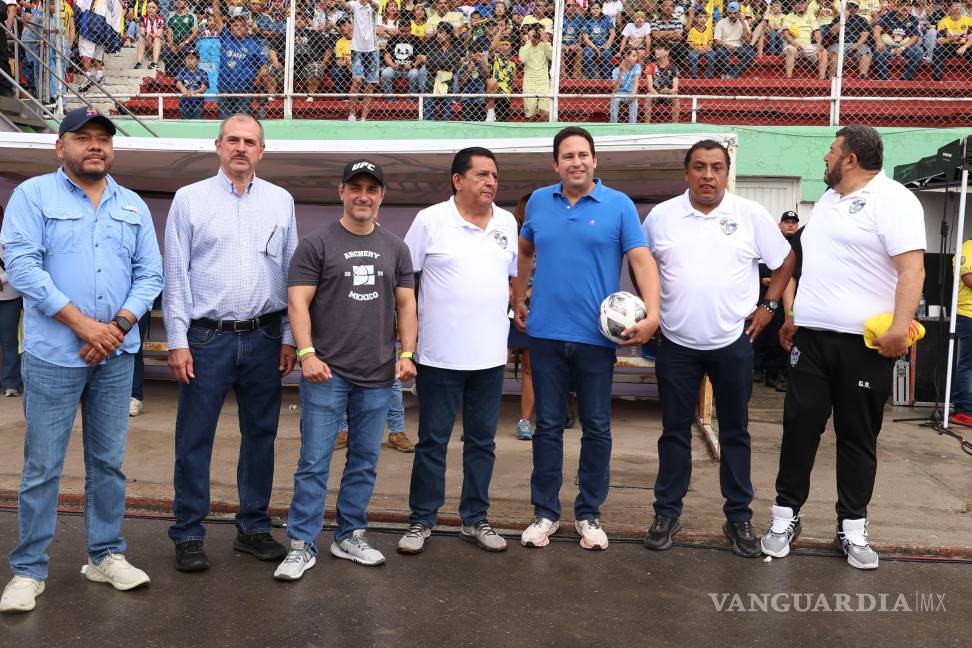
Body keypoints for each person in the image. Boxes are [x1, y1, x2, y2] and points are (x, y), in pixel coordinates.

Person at [0, 108, 163, 613]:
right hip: (54, 356)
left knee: (108, 463)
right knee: (43, 465)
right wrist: (82, 325)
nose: (95, 146)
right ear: (60, 147)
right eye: (83, 138)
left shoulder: (131, 204)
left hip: (115, 356)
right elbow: (22, 266)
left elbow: (150, 275)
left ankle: (105, 554)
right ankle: (29, 570)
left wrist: (113, 328)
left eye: (103, 140)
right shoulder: (32, 196)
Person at [761, 125, 926, 570]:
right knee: (799, 429)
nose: (825, 159)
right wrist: (794, 317)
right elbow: (815, 266)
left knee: (856, 437)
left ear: (850, 158)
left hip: (864, 345)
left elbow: (913, 270)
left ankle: (851, 528)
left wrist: (901, 326)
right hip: (811, 340)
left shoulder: (894, 200)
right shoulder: (831, 202)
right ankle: (784, 518)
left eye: (831, 152)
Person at [640, 140, 795, 557]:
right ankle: (667, 512)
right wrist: (651, 314)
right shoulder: (661, 218)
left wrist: (769, 307)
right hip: (676, 343)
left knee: (735, 431)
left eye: (716, 167)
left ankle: (739, 517)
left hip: (733, 343)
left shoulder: (751, 215)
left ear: (728, 173)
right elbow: (642, 267)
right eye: (699, 167)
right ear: (685, 172)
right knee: (674, 432)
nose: (708, 175)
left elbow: (784, 261)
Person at [512, 127, 661, 551]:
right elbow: (525, 252)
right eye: (567, 156)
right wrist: (519, 294)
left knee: (596, 427)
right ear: (555, 164)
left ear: (595, 161)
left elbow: (641, 261)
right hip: (544, 335)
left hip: (597, 340)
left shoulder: (618, 205)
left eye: (583, 155)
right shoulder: (540, 201)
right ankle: (544, 514)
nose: (576, 162)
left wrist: (654, 314)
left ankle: (589, 514)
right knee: (547, 427)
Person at [163, 114, 297, 573]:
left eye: (250, 142)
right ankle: (188, 532)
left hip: (264, 336)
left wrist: (290, 338)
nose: (241, 148)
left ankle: (254, 527)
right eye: (233, 140)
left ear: (262, 151)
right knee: (194, 437)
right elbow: (176, 275)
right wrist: (177, 341)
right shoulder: (189, 199)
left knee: (260, 435)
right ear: (217, 146)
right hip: (206, 339)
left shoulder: (281, 201)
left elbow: (291, 275)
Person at [274, 159, 417, 580]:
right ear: (341, 192)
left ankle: (350, 534)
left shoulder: (396, 247)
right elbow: (297, 301)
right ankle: (302, 542)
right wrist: (306, 354)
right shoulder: (316, 244)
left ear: (381, 196)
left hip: (377, 374)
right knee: (314, 461)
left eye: (371, 189)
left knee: (364, 461)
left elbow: (407, 303)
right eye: (355, 187)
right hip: (326, 373)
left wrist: (407, 354)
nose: (363, 196)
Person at [396, 148, 517, 555]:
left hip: (489, 358)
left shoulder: (506, 222)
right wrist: (407, 347)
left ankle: (475, 519)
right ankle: (421, 520)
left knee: (482, 443)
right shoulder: (430, 220)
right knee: (432, 441)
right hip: (438, 357)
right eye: (482, 174)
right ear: (457, 180)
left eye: (494, 176)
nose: (491, 182)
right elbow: (405, 283)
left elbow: (512, 277)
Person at [507, 193, 535, 440]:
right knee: (493, 362)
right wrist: (511, 294)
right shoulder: (507, 237)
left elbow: (553, 271)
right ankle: (479, 416)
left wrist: (526, 293)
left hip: (535, 306)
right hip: (503, 306)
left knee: (529, 366)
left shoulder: (547, 239)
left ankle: (524, 421)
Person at [213, 15, 268, 117]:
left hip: (244, 88)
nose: (238, 27)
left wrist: (260, 76)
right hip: (224, 87)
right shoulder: (226, 38)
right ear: (230, 29)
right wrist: (216, 2)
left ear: (247, 29)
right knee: (225, 119)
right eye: (234, 25)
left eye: (241, 25)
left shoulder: (253, 44)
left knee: (243, 119)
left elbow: (264, 65)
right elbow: (217, 19)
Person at [345, 0, 380, 121]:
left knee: (370, 85)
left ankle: (364, 117)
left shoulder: (373, 3)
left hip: (373, 49)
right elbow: (345, 6)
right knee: (357, 80)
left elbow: (377, 7)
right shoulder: (354, 4)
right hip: (357, 48)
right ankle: (352, 113)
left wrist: (369, 2)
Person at [0, 205, 21, 397]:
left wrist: (1, 279)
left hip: (9, 297)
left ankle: (10, 384)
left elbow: (17, 265)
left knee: (9, 342)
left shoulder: (9, 239)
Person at [873, 0, 924, 80]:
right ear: (896, 7)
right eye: (901, 5)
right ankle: (884, 78)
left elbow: (915, 37)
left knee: (919, 51)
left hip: (904, 47)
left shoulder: (913, 19)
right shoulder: (888, 16)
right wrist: (879, 42)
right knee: (878, 51)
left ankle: (906, 78)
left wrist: (902, 48)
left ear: (911, 8)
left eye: (907, 5)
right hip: (887, 46)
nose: (904, 7)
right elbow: (876, 29)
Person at [951, 238, 972, 427]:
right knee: (968, 365)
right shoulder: (968, 248)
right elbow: (969, 279)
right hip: (969, 315)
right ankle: (964, 410)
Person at [825, 1, 872, 79]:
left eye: (854, 7)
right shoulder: (838, 18)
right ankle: (831, 77)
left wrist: (857, 44)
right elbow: (832, 32)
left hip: (856, 43)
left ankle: (863, 76)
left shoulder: (861, 19)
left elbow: (865, 35)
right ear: (845, 7)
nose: (851, 9)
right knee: (834, 52)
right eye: (849, 6)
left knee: (865, 51)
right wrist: (843, 19)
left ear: (857, 9)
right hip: (838, 43)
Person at [783, 0, 827, 79]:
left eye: (802, 2)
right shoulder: (788, 17)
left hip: (807, 46)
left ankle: (821, 79)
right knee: (791, 50)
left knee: (823, 51)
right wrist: (795, 44)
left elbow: (817, 32)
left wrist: (819, 44)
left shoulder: (811, 16)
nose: (799, 5)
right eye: (796, 3)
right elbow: (786, 34)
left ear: (807, 4)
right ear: (793, 6)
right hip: (792, 45)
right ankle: (788, 78)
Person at [931, 1, 972, 80]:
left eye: (959, 5)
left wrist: (965, 46)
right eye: (954, 5)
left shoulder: (968, 20)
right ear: (949, 8)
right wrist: (950, 39)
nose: (957, 7)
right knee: (937, 50)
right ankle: (937, 78)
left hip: (964, 45)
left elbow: (971, 37)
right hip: (948, 46)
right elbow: (939, 40)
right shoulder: (943, 22)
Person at [519, 24, 552, 121]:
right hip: (529, 82)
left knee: (545, 114)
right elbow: (522, 59)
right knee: (530, 116)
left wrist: (546, 40)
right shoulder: (525, 46)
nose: (536, 35)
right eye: (534, 33)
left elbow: (553, 57)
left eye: (538, 33)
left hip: (543, 82)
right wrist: (529, 41)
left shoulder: (544, 45)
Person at [713, 1, 755, 78]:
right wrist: (727, 45)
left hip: (738, 47)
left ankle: (731, 74)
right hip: (724, 46)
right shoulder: (721, 22)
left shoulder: (743, 22)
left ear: (739, 12)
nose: (732, 15)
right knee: (719, 53)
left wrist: (742, 22)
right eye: (730, 13)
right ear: (726, 12)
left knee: (751, 53)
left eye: (735, 13)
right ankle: (732, 74)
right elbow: (716, 42)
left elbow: (748, 41)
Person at [643, 45, 680, 124]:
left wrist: (668, 91)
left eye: (659, 49)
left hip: (668, 93)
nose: (656, 51)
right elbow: (649, 87)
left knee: (675, 96)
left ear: (667, 52)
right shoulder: (651, 66)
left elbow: (675, 88)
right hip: (655, 92)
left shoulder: (673, 67)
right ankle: (646, 124)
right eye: (655, 49)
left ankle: (675, 125)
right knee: (648, 96)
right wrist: (657, 94)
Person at [582, 2, 616, 79]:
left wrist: (607, 44)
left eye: (597, 8)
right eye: (593, 9)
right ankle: (591, 78)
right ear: (590, 10)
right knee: (587, 55)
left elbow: (613, 33)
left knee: (607, 54)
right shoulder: (586, 21)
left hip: (604, 45)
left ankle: (605, 78)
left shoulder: (606, 19)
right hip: (591, 46)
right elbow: (586, 38)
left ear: (601, 9)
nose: (595, 10)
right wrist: (595, 48)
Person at [485, 37, 515, 122]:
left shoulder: (513, 65)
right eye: (501, 44)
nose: (503, 47)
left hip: (506, 96)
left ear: (511, 48)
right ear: (497, 47)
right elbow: (490, 51)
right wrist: (500, 31)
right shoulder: (495, 58)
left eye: (506, 45)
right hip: (495, 94)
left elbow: (512, 81)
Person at [163, 0, 198, 71]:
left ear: (186, 3)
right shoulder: (171, 17)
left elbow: (195, 33)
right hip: (174, 45)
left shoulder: (192, 16)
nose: (178, 1)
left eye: (181, 0)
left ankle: (182, 72)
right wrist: (172, 46)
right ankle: (175, 73)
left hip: (187, 44)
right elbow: (169, 34)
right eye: (176, 0)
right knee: (166, 52)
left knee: (186, 50)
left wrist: (185, 42)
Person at [609, 48, 641, 124]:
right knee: (615, 98)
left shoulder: (637, 66)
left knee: (634, 100)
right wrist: (621, 72)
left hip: (630, 92)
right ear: (626, 56)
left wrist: (633, 94)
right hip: (619, 93)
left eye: (636, 56)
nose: (636, 58)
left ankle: (632, 124)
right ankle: (613, 124)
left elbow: (637, 82)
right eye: (633, 56)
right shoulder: (616, 70)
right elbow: (616, 89)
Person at [176, 50, 210, 119]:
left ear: (198, 61)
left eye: (192, 58)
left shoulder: (202, 73)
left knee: (197, 121)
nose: (189, 60)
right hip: (184, 103)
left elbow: (203, 88)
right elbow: (177, 82)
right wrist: (183, 88)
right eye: (188, 58)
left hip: (197, 103)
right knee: (184, 122)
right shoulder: (182, 71)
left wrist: (194, 92)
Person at [687, 9, 716, 78]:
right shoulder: (692, 30)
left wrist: (709, 47)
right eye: (700, 17)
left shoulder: (709, 30)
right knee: (692, 56)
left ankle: (709, 74)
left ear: (707, 18)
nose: (703, 19)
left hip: (706, 48)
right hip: (696, 48)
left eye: (704, 17)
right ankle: (694, 75)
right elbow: (690, 43)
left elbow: (710, 40)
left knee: (713, 55)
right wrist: (696, 48)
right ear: (696, 19)